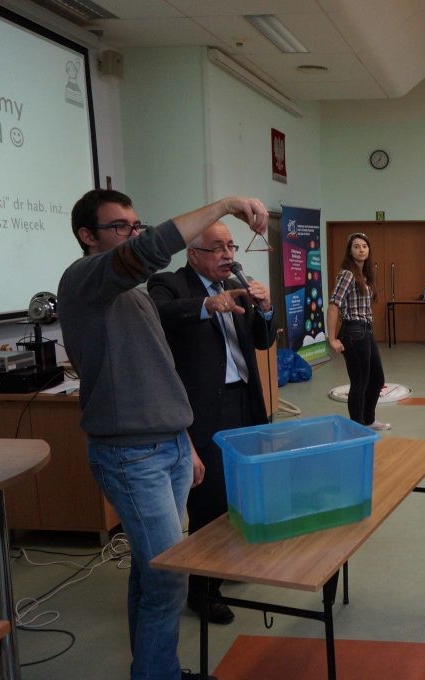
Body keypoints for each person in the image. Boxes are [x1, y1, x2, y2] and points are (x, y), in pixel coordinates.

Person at [58, 189, 269, 680]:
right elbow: (150, 251)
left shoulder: (132, 295)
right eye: (120, 227)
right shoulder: (84, 279)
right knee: (169, 576)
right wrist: (224, 205)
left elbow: (163, 371)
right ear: (87, 236)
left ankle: (155, 671)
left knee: (150, 571)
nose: (133, 234)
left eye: (137, 225)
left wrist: (184, 441)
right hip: (131, 453)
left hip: (168, 444)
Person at [147, 221, 277, 625]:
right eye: (218, 247)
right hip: (203, 411)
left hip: (244, 404)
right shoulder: (170, 284)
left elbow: (262, 340)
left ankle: (225, 565)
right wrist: (207, 305)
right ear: (193, 253)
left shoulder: (236, 283)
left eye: (231, 246)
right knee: (209, 503)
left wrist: (266, 309)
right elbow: (161, 314)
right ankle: (202, 592)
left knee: (241, 492)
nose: (228, 254)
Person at [327, 233, 390, 431]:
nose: (361, 249)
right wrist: (332, 338)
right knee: (360, 383)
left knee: (377, 380)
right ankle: (357, 428)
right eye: (356, 246)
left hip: (365, 331)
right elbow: (333, 306)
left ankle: (368, 420)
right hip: (353, 332)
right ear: (350, 251)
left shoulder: (365, 275)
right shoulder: (347, 274)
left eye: (364, 246)